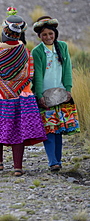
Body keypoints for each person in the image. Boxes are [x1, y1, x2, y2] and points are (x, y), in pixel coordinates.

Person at [0, 8, 47, 177]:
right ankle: (17, 167)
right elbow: (30, 75)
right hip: (22, 96)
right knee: (19, 131)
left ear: (4, 32)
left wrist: (0, 85)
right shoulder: (27, 53)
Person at [31, 16, 80, 172]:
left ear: (55, 33)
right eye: (44, 35)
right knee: (49, 129)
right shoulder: (37, 51)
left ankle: (58, 160)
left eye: (50, 34)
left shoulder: (63, 47)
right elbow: (37, 75)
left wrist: (68, 89)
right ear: (39, 36)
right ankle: (53, 162)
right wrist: (39, 96)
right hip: (46, 96)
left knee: (58, 129)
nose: (48, 37)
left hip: (61, 94)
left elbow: (67, 70)